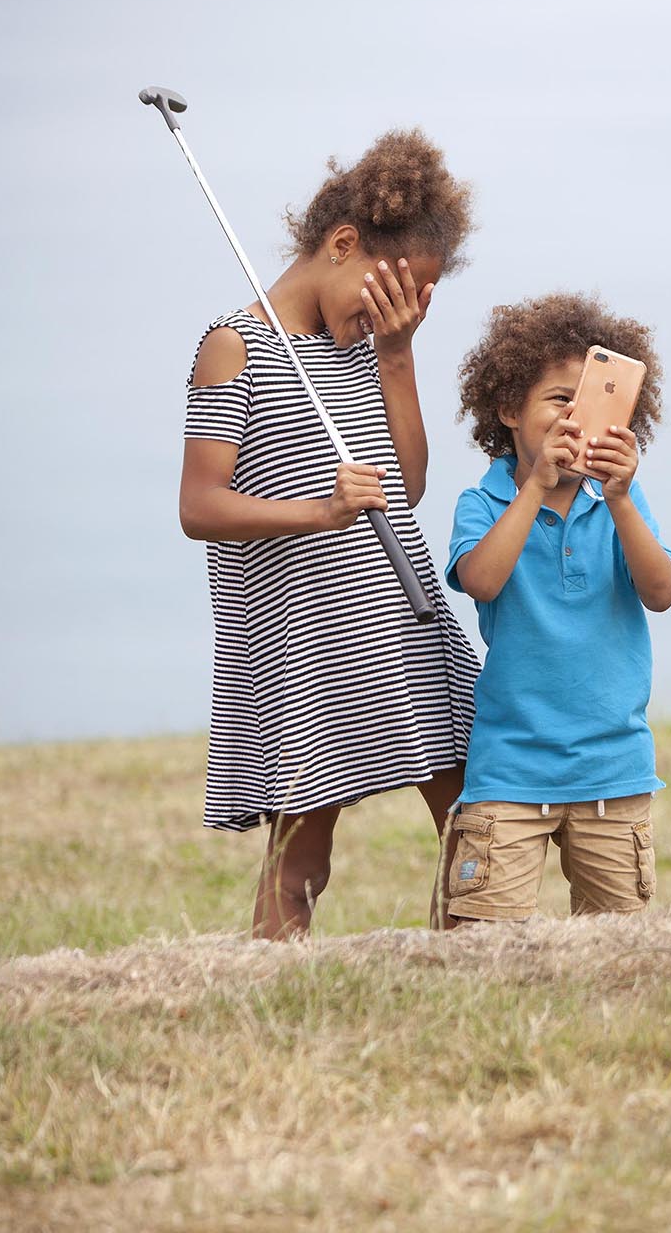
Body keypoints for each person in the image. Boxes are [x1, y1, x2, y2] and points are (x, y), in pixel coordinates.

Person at [179, 129, 480, 939]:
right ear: (344, 245)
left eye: (420, 298)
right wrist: (319, 513)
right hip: (307, 636)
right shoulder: (233, 348)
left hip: (401, 615)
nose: (403, 308)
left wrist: (399, 353)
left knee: (471, 809)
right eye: (399, 290)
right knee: (304, 842)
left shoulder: (366, 349)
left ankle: (470, 965)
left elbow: (408, 487)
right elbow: (199, 507)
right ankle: (273, 982)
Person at [439, 294, 671, 924]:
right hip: (510, 773)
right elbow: (482, 581)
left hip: (614, 771)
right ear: (508, 409)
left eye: (590, 400)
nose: (574, 415)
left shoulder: (620, 501)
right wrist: (538, 484)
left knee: (622, 952)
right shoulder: (483, 502)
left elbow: (661, 592)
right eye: (556, 399)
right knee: (479, 948)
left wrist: (621, 499)